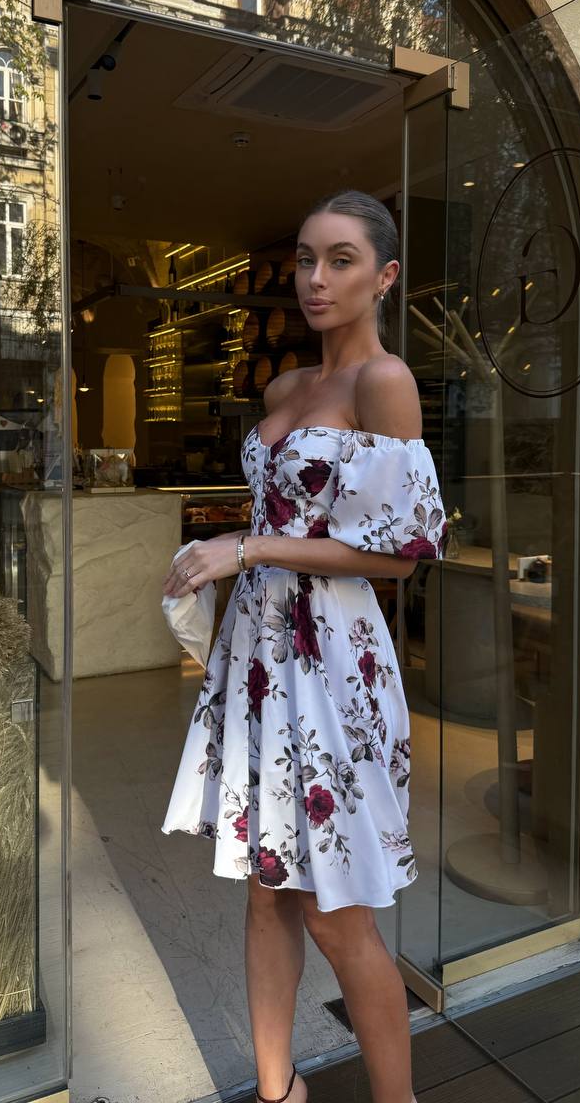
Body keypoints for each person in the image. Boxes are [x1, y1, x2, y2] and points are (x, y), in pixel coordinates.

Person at [161, 191, 446, 1103]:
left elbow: (399, 554)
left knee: (336, 914)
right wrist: (216, 559)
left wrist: (245, 549)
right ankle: (278, 1091)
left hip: (335, 660)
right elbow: (273, 515)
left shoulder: (384, 384)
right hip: (261, 652)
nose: (316, 280)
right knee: (264, 891)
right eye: (305, 259)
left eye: (342, 260)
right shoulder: (285, 388)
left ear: (384, 276)